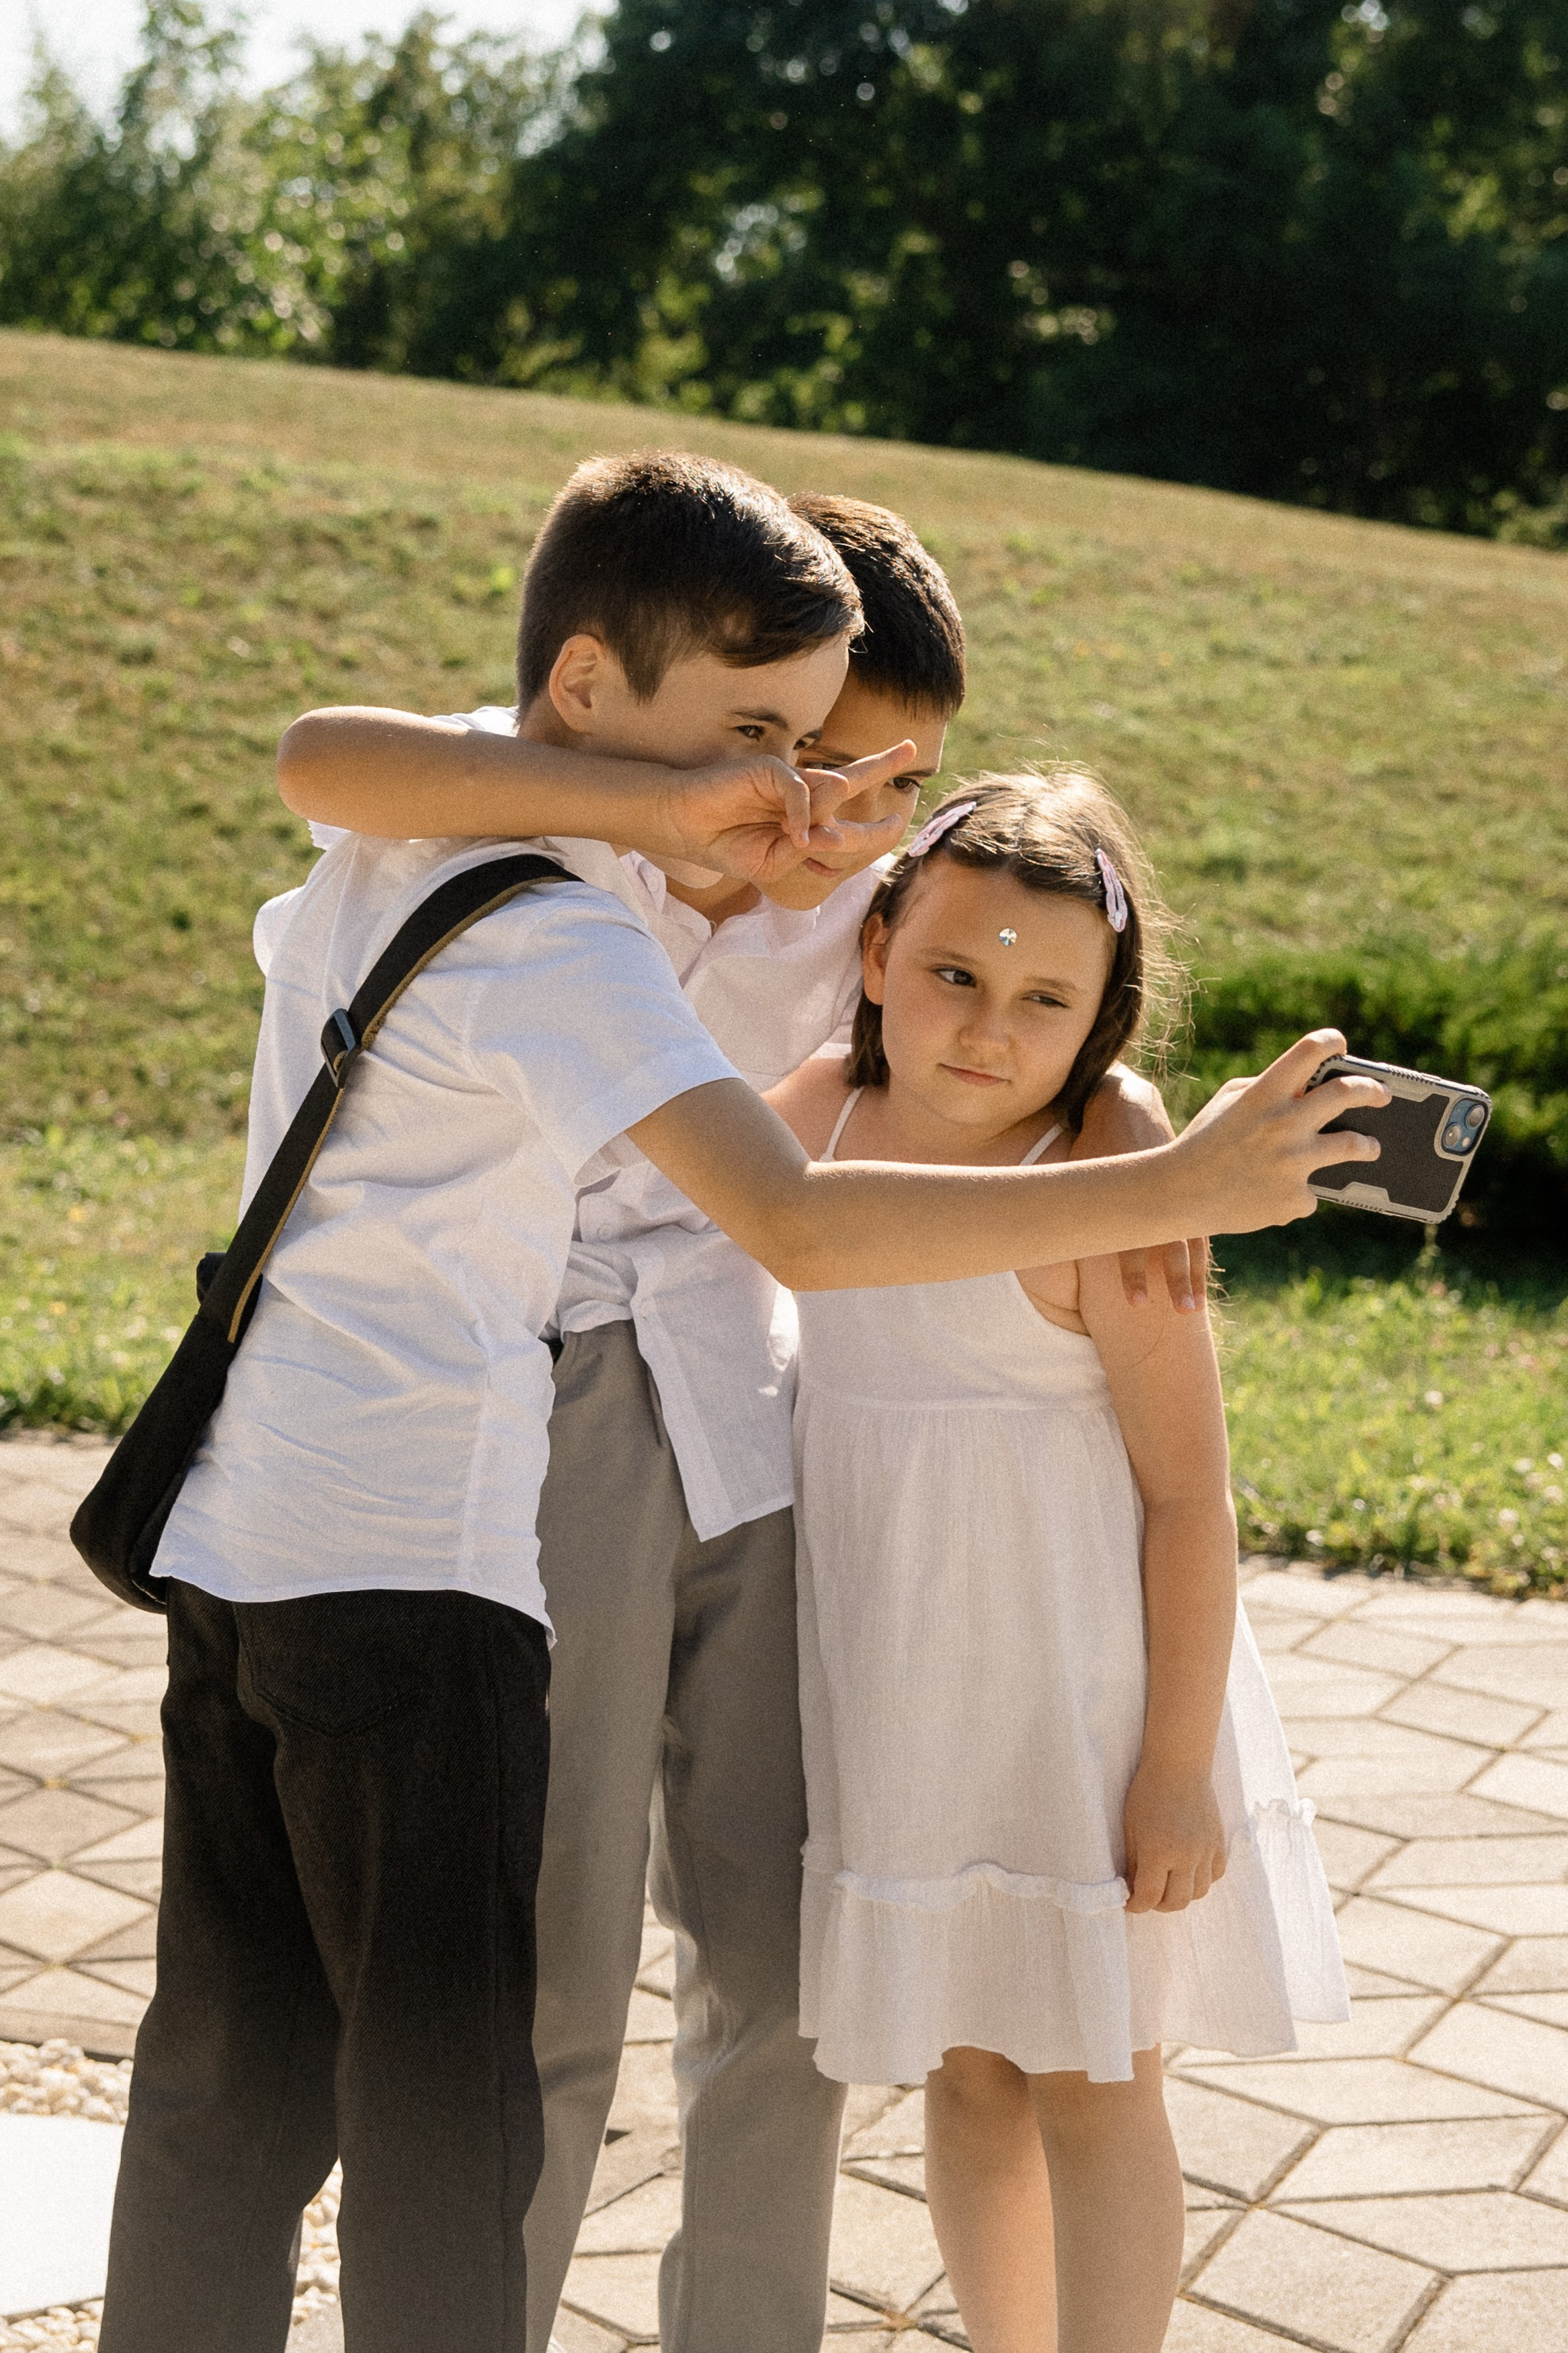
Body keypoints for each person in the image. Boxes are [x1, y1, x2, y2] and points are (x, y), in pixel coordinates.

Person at [273, 484, 1206, 2352]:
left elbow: (1019, 1006)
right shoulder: (556, 820)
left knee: (785, 1972)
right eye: (815, 760)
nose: (849, 816)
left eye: (896, 783)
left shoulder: (878, 908)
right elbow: (323, 762)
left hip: (766, 1429)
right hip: (548, 1417)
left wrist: (1118, 1116)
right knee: (555, 1971)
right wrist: (669, 811)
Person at [768, 774, 1350, 2353]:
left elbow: (1187, 1494)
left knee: (1096, 2074)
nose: (986, 1028)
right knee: (967, 2066)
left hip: (1087, 1704)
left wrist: (1175, 1768)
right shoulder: (810, 1119)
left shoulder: (1105, 1172)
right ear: (876, 951)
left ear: (1102, 1021)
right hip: (905, 1694)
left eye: (1045, 1000)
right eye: (953, 973)